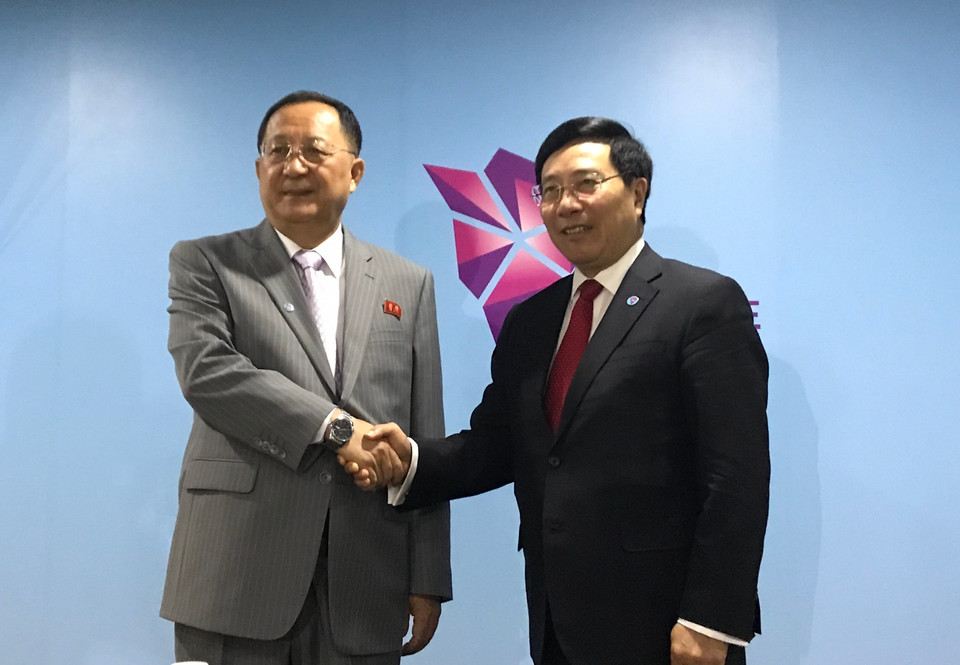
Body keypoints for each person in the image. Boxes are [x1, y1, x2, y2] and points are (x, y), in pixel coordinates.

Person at [348, 117, 769, 665]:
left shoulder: (703, 303)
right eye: (549, 190)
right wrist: (411, 461)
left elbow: (735, 476)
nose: (566, 204)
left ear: (637, 193)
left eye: (586, 184)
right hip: (557, 620)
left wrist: (712, 620)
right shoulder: (532, 319)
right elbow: (496, 444)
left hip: (669, 625)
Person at [160, 90, 451, 665]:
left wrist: (428, 573)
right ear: (258, 168)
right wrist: (338, 429)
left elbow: (424, 433)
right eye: (277, 151)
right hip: (235, 575)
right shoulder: (205, 262)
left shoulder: (408, 283)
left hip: (367, 578)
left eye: (314, 151)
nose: (293, 166)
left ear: (355, 171)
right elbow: (208, 373)